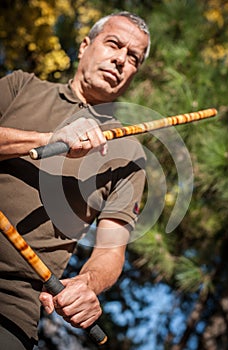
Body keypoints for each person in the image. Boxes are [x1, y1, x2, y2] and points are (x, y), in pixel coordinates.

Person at [0, 11, 150, 350]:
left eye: (133, 58)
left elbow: (111, 249)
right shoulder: (21, 86)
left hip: (12, 302)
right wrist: (47, 139)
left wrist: (87, 284)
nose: (121, 60)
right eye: (114, 44)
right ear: (85, 46)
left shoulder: (128, 152)